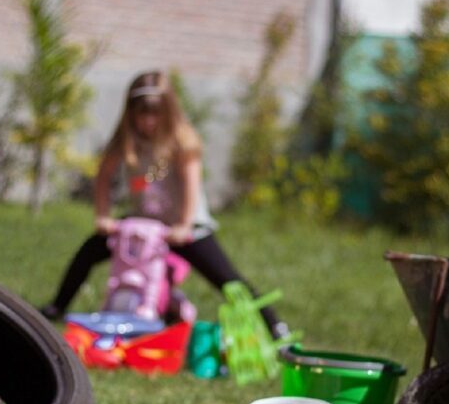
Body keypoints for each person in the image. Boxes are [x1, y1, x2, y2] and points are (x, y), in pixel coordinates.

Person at [40, 70, 290, 339]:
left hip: (184, 226)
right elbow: (103, 176)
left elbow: (191, 184)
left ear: (168, 111)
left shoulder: (182, 139)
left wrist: (183, 225)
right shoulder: (126, 139)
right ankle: (57, 307)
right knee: (89, 252)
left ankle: (274, 325)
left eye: (155, 114)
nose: (148, 121)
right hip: (142, 224)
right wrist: (103, 216)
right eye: (141, 114)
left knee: (226, 278)